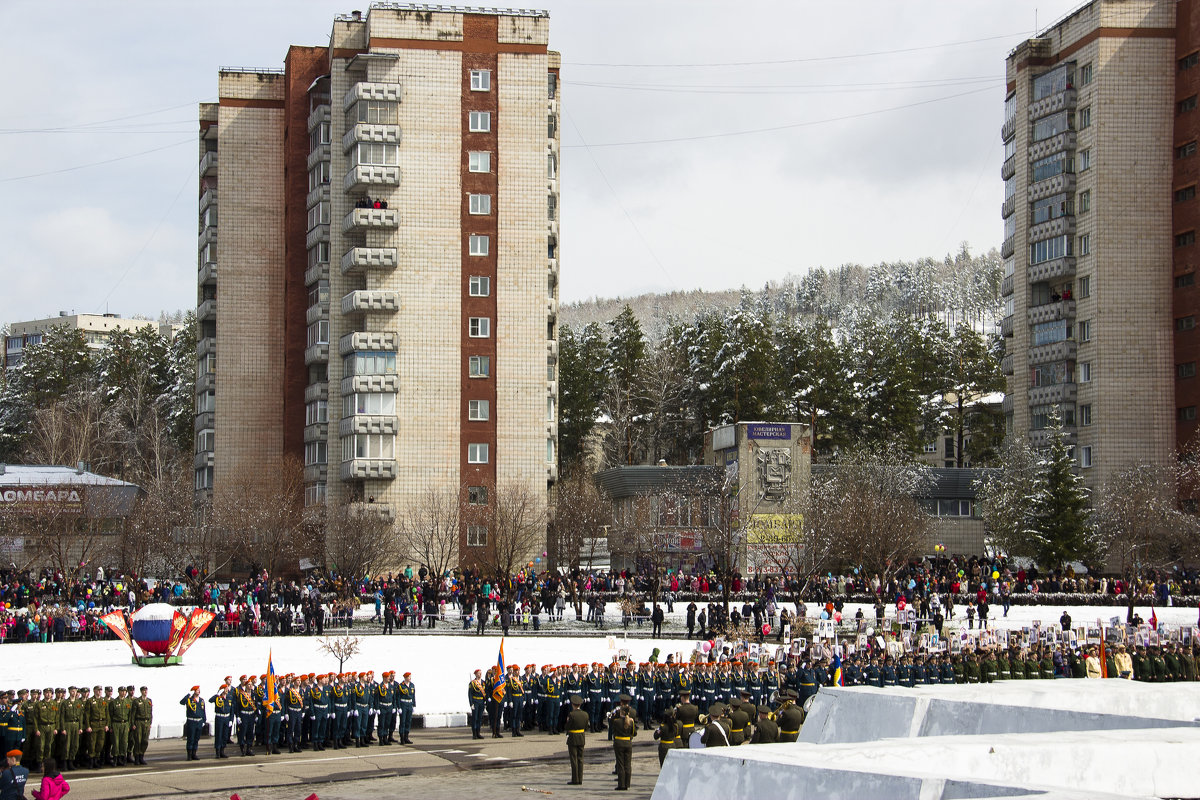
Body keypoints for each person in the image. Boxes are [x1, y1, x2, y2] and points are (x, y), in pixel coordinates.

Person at [610, 695, 636, 791]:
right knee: (628, 764)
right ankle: (627, 783)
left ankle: (622, 784)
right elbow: (634, 733)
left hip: (619, 743)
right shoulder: (631, 722)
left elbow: (612, 725)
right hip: (628, 742)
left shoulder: (617, 721)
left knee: (620, 764)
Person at [564, 694, 588, 785]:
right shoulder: (585, 714)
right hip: (581, 737)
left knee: (574, 759)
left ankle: (575, 779)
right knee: (580, 759)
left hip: (573, 737)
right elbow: (586, 726)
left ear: (573, 704)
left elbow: (567, 726)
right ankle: (580, 779)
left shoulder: (571, 714)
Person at [180, 687, 205, 761]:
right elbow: (181, 702)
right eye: (197, 690)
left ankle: (194, 754)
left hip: (199, 721)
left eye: (199, 690)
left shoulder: (201, 700)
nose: (198, 691)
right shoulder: (189, 700)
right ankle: (189, 755)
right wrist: (187, 696)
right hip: (192, 721)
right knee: (191, 738)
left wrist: (204, 720)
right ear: (194, 691)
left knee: (196, 739)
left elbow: (203, 711)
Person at [131, 687, 153, 766]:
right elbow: (133, 714)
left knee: (145, 741)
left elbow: (151, 713)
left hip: (146, 723)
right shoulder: (136, 701)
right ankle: (137, 757)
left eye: (146, 690)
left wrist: (150, 723)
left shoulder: (149, 701)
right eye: (144, 691)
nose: (145, 692)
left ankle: (141, 756)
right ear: (141, 691)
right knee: (138, 740)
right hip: (139, 722)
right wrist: (133, 724)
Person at [396, 673, 415, 745]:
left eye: (410, 677)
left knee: (408, 721)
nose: (410, 678)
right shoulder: (401, 686)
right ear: (405, 677)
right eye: (409, 677)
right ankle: (402, 738)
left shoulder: (412, 685)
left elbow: (413, 696)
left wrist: (413, 705)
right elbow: (398, 697)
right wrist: (399, 707)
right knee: (403, 721)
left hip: (409, 704)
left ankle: (406, 737)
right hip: (403, 704)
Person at [468, 670, 487, 740]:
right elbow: (470, 694)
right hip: (475, 701)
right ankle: (474, 734)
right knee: (475, 718)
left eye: (481, 673)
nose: (480, 674)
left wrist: (485, 701)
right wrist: (471, 703)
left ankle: (478, 733)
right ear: (476, 674)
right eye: (479, 673)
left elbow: (485, 692)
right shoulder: (472, 683)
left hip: (481, 701)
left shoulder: (483, 683)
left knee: (479, 718)